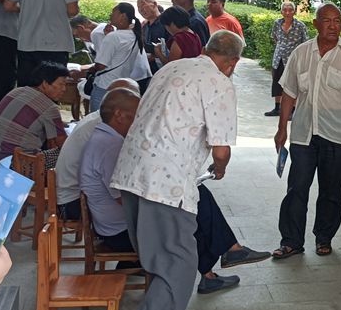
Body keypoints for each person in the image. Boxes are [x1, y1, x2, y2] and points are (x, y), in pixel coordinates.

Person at [110, 30, 245, 310]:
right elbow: (221, 149)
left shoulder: (171, 67)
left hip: (132, 172)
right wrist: (220, 168)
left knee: (156, 256)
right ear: (232, 63)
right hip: (165, 181)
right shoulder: (219, 82)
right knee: (180, 260)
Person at [83, 87, 268, 287]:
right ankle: (224, 256)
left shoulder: (107, 139)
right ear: (119, 115)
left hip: (120, 223)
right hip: (122, 231)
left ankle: (219, 263)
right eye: (138, 116)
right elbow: (126, 200)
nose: (143, 122)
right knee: (188, 212)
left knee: (193, 199)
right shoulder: (111, 147)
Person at [273, 3, 341, 258]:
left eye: (337, 20)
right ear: (315, 24)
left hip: (338, 134)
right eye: (327, 20)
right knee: (297, 188)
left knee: (331, 191)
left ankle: (324, 237)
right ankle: (291, 241)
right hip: (304, 133)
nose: (333, 25)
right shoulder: (301, 53)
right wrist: (282, 128)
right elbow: (289, 92)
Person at [53, 78, 140, 221]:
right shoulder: (107, 131)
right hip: (72, 201)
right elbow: (118, 190)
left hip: (69, 193)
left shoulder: (100, 119)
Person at [0, 62, 68, 177]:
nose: (64, 89)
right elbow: (63, 144)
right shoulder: (50, 107)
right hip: (11, 168)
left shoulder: (16, 91)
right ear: (45, 83)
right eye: (61, 84)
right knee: (66, 152)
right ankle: (56, 187)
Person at [78, 3, 151, 113]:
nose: (110, 15)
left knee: (97, 118)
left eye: (113, 12)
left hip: (105, 85)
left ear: (122, 16)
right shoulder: (134, 35)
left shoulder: (113, 37)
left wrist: (91, 69)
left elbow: (101, 65)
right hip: (122, 84)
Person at [265, 1, 308, 117]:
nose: (287, 12)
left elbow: (305, 42)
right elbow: (274, 37)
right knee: (277, 82)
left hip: (293, 59)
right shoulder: (277, 23)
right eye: (285, 10)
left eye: (290, 10)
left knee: (292, 84)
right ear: (281, 12)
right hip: (278, 58)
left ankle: (292, 110)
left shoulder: (300, 26)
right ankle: (277, 108)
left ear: (294, 12)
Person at [137, 0, 168, 75]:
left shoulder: (166, 23)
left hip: (163, 70)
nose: (141, 10)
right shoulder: (145, 27)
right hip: (146, 71)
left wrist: (155, 56)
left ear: (154, 4)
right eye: (138, 7)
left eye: (143, 5)